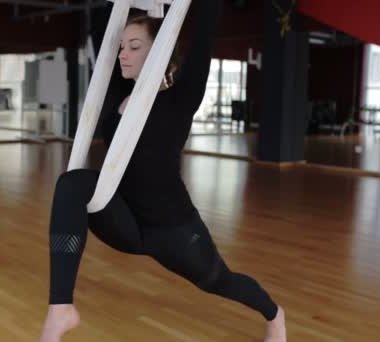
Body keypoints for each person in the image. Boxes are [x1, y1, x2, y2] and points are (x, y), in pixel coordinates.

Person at [40, 1, 286, 341]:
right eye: (122, 47)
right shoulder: (119, 94)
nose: (123, 54)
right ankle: (60, 308)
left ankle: (274, 314)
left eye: (135, 47)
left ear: (160, 50)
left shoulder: (181, 98)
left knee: (220, 280)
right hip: (125, 220)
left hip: (174, 230)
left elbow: (204, 32)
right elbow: (103, 24)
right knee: (71, 184)